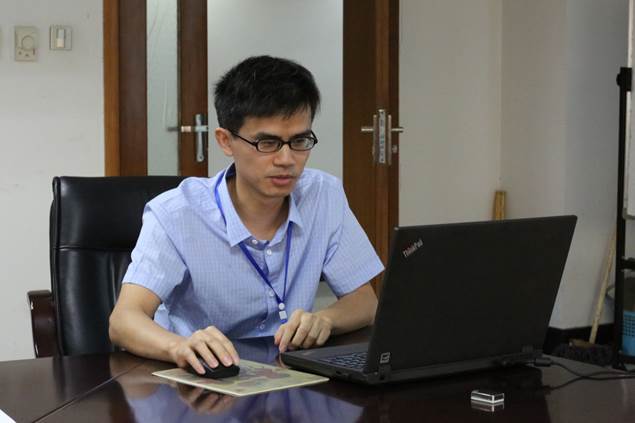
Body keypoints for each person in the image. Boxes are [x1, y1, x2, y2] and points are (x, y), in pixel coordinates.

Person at [109, 55, 383, 376]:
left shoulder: (323, 195)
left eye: (299, 141)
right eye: (267, 143)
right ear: (226, 141)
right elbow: (124, 320)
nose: (286, 159)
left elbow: (365, 302)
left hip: (291, 377)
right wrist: (178, 346)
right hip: (204, 382)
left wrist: (325, 319)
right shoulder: (176, 213)